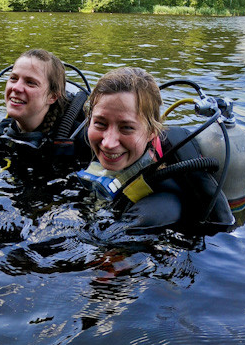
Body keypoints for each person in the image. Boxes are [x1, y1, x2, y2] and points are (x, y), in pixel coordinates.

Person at [78, 66, 234, 233]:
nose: (108, 143)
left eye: (127, 128)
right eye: (100, 123)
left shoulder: (160, 206)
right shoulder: (86, 144)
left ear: (152, 132)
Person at [0, 48, 91, 171]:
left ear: (52, 97)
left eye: (30, 82)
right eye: (13, 78)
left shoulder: (82, 141)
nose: (16, 88)